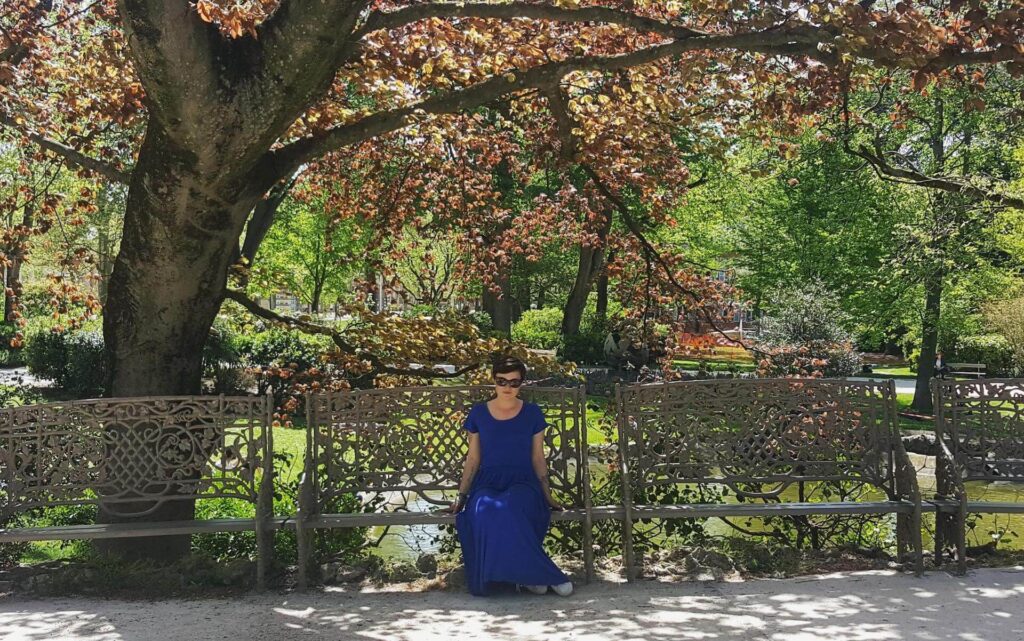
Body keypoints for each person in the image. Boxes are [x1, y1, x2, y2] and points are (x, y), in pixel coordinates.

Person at [451, 355, 573, 597]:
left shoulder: (532, 413)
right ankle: (539, 575)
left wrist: (548, 496)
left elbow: (538, 458)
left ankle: (530, 576)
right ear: (494, 381)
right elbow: (473, 459)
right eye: (502, 381)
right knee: (485, 509)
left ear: (522, 383)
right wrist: (462, 497)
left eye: (514, 382)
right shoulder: (478, 413)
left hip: (523, 482)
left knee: (512, 506)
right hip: (487, 483)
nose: (507, 387)